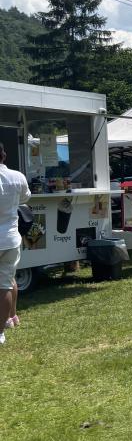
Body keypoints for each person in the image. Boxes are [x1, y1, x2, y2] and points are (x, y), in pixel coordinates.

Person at [1, 143, 31, 345]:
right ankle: (3, 328)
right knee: (6, 283)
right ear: (3, 155)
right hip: (10, 238)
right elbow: (26, 197)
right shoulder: (17, 176)